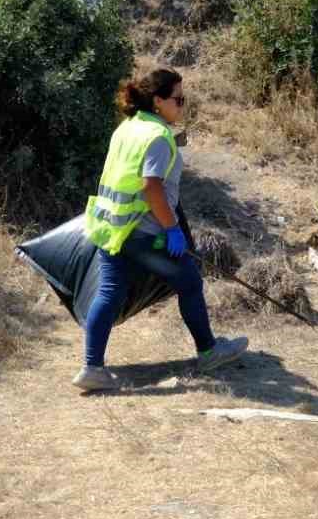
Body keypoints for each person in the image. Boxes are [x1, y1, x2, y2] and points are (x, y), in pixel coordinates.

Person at [75, 67, 247, 392]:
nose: (182, 105)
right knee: (191, 282)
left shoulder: (128, 128)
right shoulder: (158, 137)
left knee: (110, 292)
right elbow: (151, 186)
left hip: (113, 227)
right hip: (146, 232)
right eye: (178, 99)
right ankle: (209, 352)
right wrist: (172, 229)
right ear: (158, 101)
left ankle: (92, 367)